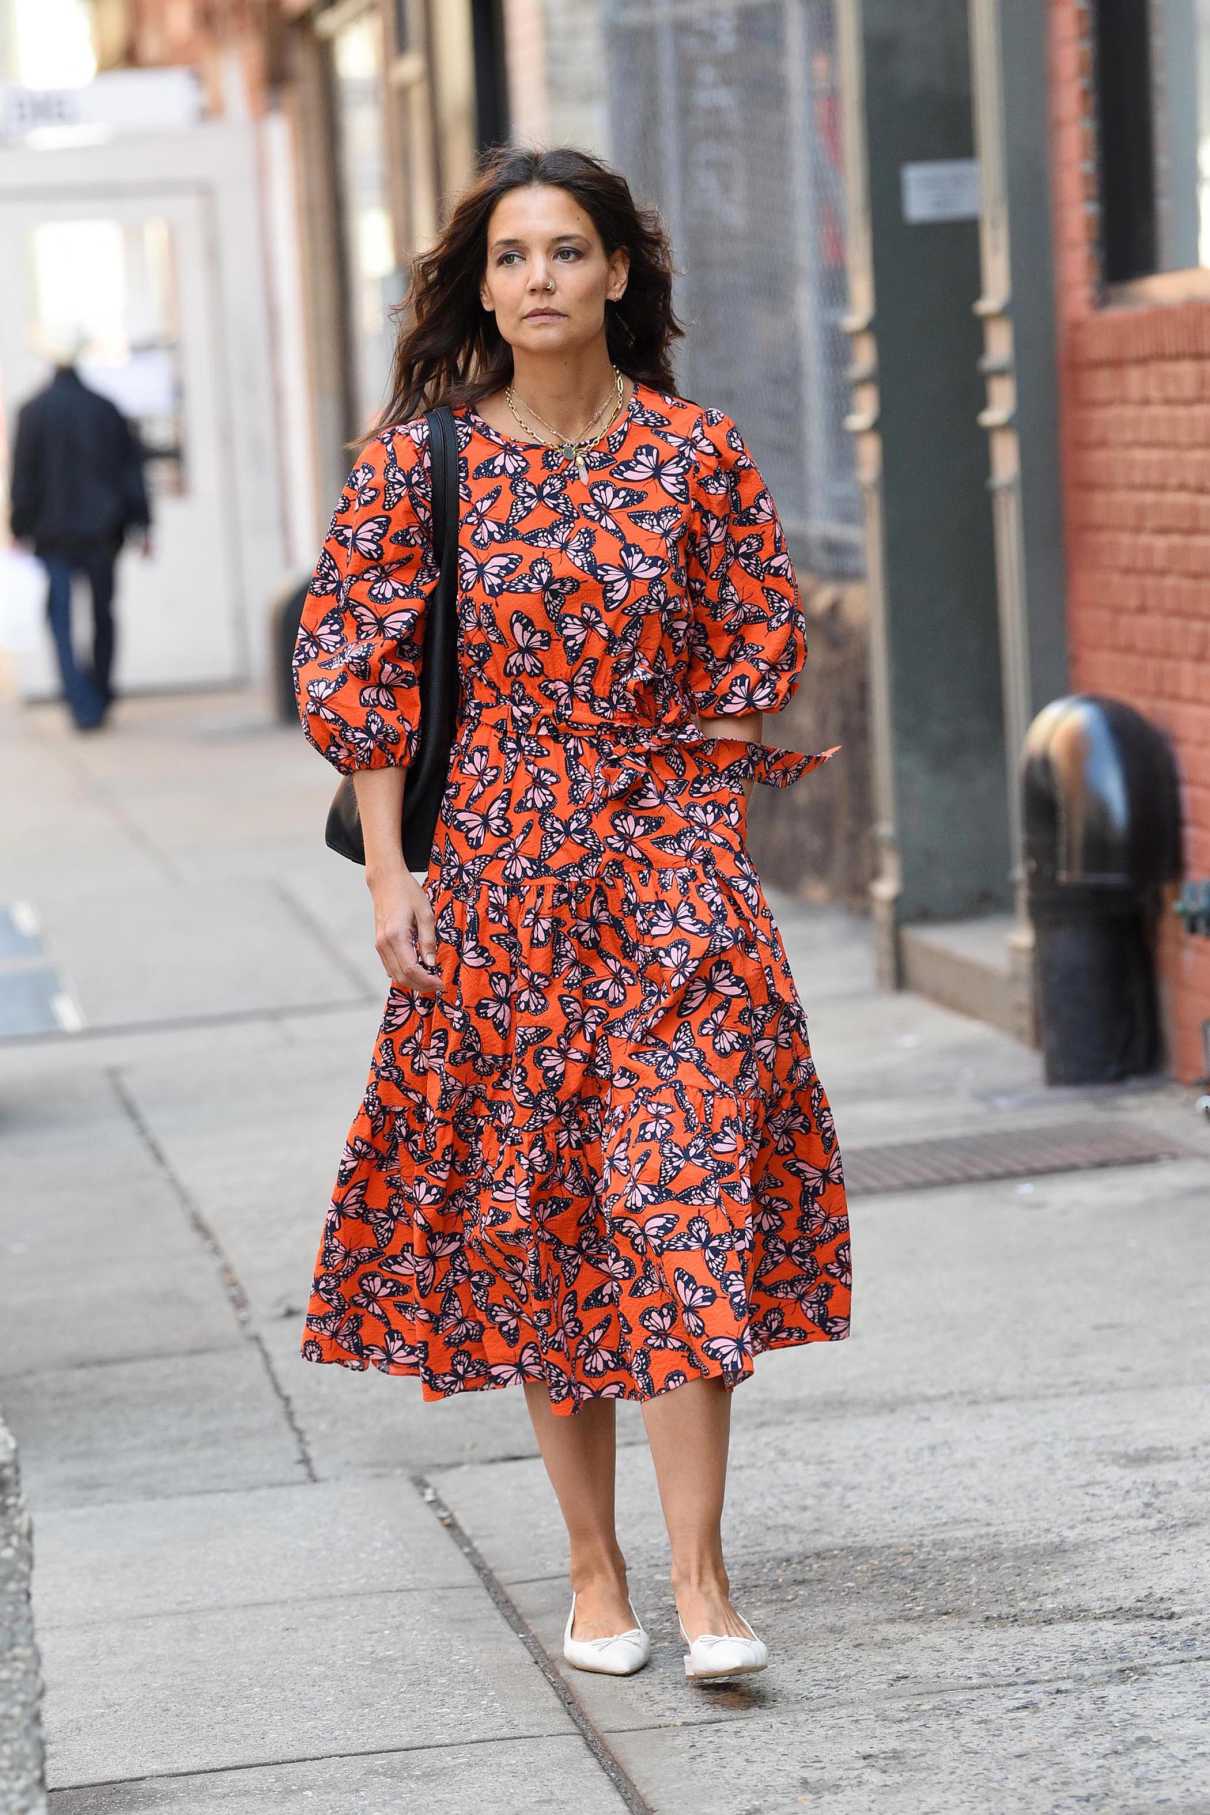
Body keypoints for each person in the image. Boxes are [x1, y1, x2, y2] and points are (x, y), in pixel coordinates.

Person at [293, 144, 852, 1685]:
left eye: (565, 250)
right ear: (483, 289)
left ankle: (703, 1573)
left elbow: (751, 642)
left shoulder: (697, 454)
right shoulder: (421, 463)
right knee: (550, 1215)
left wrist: (703, 820)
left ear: (618, 273)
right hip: (494, 871)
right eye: (510, 256)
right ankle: (595, 1571)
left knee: (679, 1194)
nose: (537, 277)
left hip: (666, 866)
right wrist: (398, 876)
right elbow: (364, 673)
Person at [8, 333, 152, 731]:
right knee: (102, 613)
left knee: (61, 620)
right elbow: (131, 473)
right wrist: (143, 523)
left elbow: (24, 478)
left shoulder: (32, 411)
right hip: (102, 531)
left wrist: (19, 527)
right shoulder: (106, 409)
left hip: (52, 535)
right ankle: (101, 692)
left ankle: (80, 700)